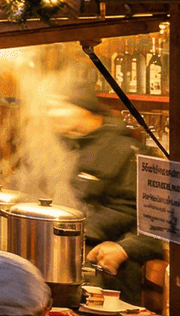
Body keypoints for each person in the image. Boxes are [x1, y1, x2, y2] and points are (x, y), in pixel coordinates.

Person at [51, 88, 158, 304]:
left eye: (61, 106)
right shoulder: (63, 146)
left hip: (106, 268)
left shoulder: (123, 150)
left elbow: (140, 214)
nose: (53, 113)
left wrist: (83, 233)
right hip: (66, 254)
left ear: (85, 110)